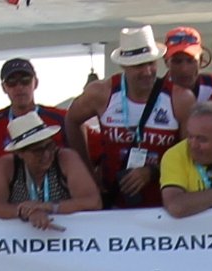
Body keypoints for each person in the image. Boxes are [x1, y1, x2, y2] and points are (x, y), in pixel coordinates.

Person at [67, 25, 194, 210]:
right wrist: (87, 172)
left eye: (151, 63)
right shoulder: (102, 93)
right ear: (124, 65)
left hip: (164, 205)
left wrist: (152, 172)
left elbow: (190, 153)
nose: (147, 71)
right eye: (139, 65)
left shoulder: (180, 98)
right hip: (114, 202)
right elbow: (71, 120)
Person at [0, 114, 101, 229]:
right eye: (38, 151)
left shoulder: (65, 158)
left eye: (49, 146)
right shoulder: (8, 165)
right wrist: (25, 211)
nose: (47, 154)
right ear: (20, 153)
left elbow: (93, 202)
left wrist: (50, 207)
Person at [0, 57, 70, 152]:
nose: (19, 87)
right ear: (3, 88)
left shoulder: (62, 118)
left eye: (25, 80)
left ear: (36, 83)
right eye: (11, 82)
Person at [163, 25, 212, 100]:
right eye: (177, 61)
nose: (184, 69)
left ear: (201, 60)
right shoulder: (156, 92)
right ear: (166, 62)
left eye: (190, 61)